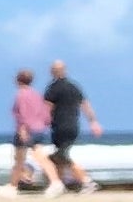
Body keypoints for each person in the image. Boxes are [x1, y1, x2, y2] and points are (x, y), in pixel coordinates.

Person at [44, 59, 99, 192]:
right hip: (73, 126)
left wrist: (40, 124)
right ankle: (59, 184)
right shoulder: (74, 86)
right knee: (58, 156)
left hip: (60, 126)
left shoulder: (53, 88)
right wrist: (93, 122)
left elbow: (47, 109)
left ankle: (87, 181)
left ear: (52, 72)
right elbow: (86, 105)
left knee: (62, 156)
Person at [7, 69, 49, 193]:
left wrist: (23, 129)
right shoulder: (37, 95)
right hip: (39, 129)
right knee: (40, 157)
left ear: (18, 80)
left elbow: (23, 114)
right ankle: (54, 181)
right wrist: (43, 124)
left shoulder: (21, 94)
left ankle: (13, 186)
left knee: (19, 159)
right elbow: (45, 114)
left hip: (26, 129)